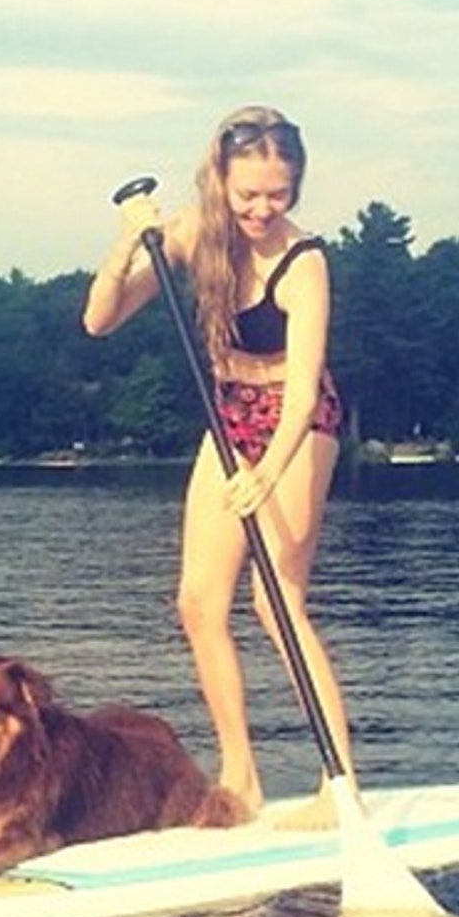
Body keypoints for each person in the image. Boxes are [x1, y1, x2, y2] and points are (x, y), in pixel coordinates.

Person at [82, 104, 354, 825]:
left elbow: (302, 389)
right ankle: (241, 778)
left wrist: (269, 470)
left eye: (280, 193)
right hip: (226, 413)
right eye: (249, 195)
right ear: (220, 181)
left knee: (276, 600)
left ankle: (340, 784)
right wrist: (125, 248)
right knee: (199, 602)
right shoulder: (193, 236)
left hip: (296, 423)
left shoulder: (305, 261)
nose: (264, 209)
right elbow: (98, 320)